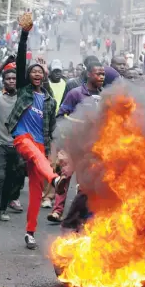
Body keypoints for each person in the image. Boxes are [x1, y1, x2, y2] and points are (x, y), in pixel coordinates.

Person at [6, 18, 65, 250]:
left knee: (35, 193)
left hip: (40, 145)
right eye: (34, 72)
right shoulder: (23, 90)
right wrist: (23, 36)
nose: (37, 75)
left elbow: (50, 127)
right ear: (29, 76)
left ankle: (30, 232)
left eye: (41, 73)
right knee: (34, 153)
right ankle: (54, 179)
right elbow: (22, 61)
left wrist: (52, 149)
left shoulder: (48, 100)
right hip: (23, 138)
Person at [48, 61, 105, 223]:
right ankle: (57, 211)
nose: (101, 77)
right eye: (98, 74)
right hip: (73, 145)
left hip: (93, 148)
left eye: (103, 74)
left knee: (85, 182)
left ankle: (81, 216)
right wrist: (75, 125)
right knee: (65, 176)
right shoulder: (75, 93)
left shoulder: (104, 95)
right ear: (88, 74)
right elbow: (61, 116)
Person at [0, 63, 24, 225]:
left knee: (12, 178)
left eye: (14, 79)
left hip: (17, 145)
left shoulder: (22, 98)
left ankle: (2, 209)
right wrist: (5, 63)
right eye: (8, 78)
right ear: (4, 81)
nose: (11, 81)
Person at [41, 59, 68, 209]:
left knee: (60, 163)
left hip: (62, 128)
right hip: (47, 127)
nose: (58, 73)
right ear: (50, 71)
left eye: (60, 70)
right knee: (49, 162)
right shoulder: (46, 84)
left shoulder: (66, 84)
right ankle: (46, 195)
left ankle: (51, 195)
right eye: (55, 70)